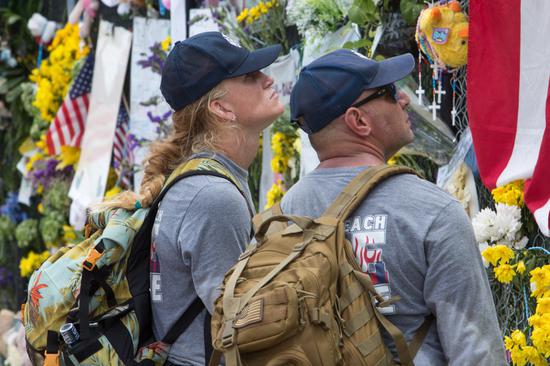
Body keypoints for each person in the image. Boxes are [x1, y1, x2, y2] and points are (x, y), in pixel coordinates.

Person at [281, 49, 506, 365]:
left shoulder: (286, 211)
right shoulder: (432, 211)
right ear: (358, 121)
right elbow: (476, 352)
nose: (404, 98)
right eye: (388, 92)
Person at [100, 32, 283, 365]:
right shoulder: (213, 196)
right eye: (250, 76)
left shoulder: (200, 180)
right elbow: (241, 325)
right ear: (221, 108)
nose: (268, 79)